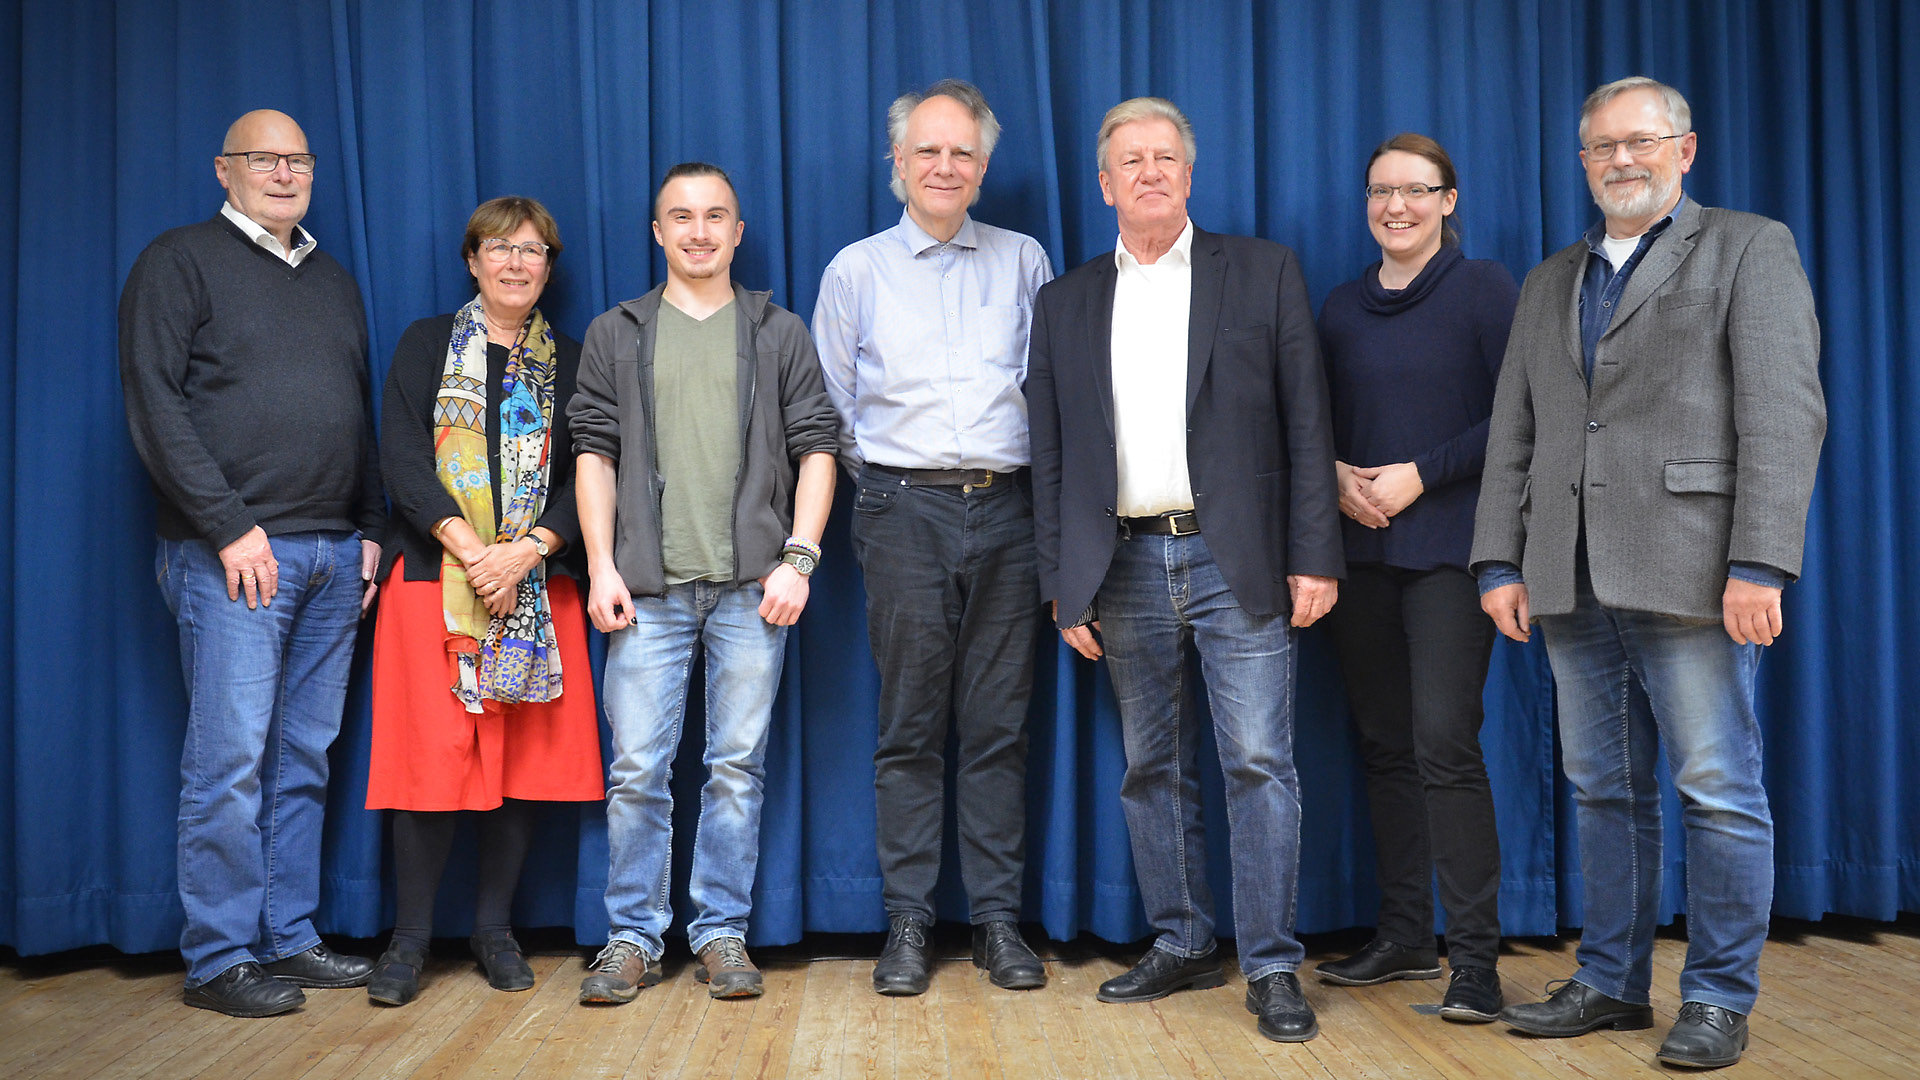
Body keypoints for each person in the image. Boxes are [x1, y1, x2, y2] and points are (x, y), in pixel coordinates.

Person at [1473, 76, 1825, 1069]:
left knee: (1717, 790)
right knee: (1602, 791)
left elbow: (1785, 413)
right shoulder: (1551, 279)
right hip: (1568, 573)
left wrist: (1761, 562)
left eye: (1640, 141)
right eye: (1602, 146)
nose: (1620, 160)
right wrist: (1500, 557)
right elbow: (1516, 430)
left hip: (1698, 571)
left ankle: (1715, 998)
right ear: (1583, 161)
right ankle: (1612, 983)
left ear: (1685, 149)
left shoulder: (1750, 247)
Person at [1027, 96, 1343, 1042]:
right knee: (1150, 767)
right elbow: (1050, 454)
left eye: (1165, 157)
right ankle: (1183, 938)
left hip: (1236, 556)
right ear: (1105, 185)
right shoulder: (1066, 301)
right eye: (1131, 160)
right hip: (1120, 562)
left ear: (1190, 175)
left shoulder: (1263, 271)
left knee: (1259, 763)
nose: (1150, 172)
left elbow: (1309, 423)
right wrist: (1061, 582)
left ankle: (1272, 965)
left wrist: (1315, 555)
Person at [118, 109, 382, 1017]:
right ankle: (219, 957)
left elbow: (353, 411)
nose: (283, 173)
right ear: (223, 170)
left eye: (297, 160)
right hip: (232, 555)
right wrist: (229, 526)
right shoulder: (178, 261)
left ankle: (287, 934)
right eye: (264, 159)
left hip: (333, 555)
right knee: (229, 762)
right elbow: (154, 405)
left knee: (303, 756)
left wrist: (369, 528)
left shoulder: (333, 279)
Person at [570, 163, 838, 1004]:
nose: (698, 231)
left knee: (735, 768)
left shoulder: (778, 331)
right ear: (658, 233)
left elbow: (818, 447)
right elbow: (593, 453)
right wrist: (601, 565)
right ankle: (632, 937)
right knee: (636, 771)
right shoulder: (616, 332)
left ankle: (722, 932)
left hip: (752, 591)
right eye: (681, 217)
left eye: (715, 216)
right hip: (645, 592)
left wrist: (799, 557)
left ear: (737, 231)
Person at [812, 78, 1054, 995]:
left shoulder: (1025, 260)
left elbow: (1047, 391)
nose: (944, 166)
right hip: (901, 511)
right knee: (910, 725)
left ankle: (996, 921)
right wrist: (891, 493)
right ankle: (908, 921)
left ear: (983, 168)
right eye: (928, 150)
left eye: (962, 152)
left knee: (998, 725)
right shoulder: (856, 270)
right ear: (898, 163)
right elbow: (832, 410)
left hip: (1011, 512)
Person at [362, 196, 605, 1006]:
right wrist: (473, 552)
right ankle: (409, 941)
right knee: (428, 759)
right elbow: (401, 456)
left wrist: (527, 551)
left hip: (535, 587)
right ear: (472, 260)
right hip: (433, 582)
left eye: (532, 250)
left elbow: (591, 471)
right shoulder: (426, 343)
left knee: (518, 762)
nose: (515, 263)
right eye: (499, 248)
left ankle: (494, 930)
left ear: (549, 268)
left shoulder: (575, 361)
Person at [1313, 134, 1517, 1023]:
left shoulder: (1484, 289)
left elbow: (1521, 414)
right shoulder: (1339, 306)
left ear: (1448, 200)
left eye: (1415, 190)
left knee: (1444, 745)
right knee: (1385, 745)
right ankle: (1403, 936)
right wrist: (1332, 474)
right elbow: (1311, 416)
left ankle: (1474, 962)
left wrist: (1421, 475)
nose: (1396, 206)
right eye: (1380, 191)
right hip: (1360, 557)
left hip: (1448, 555)